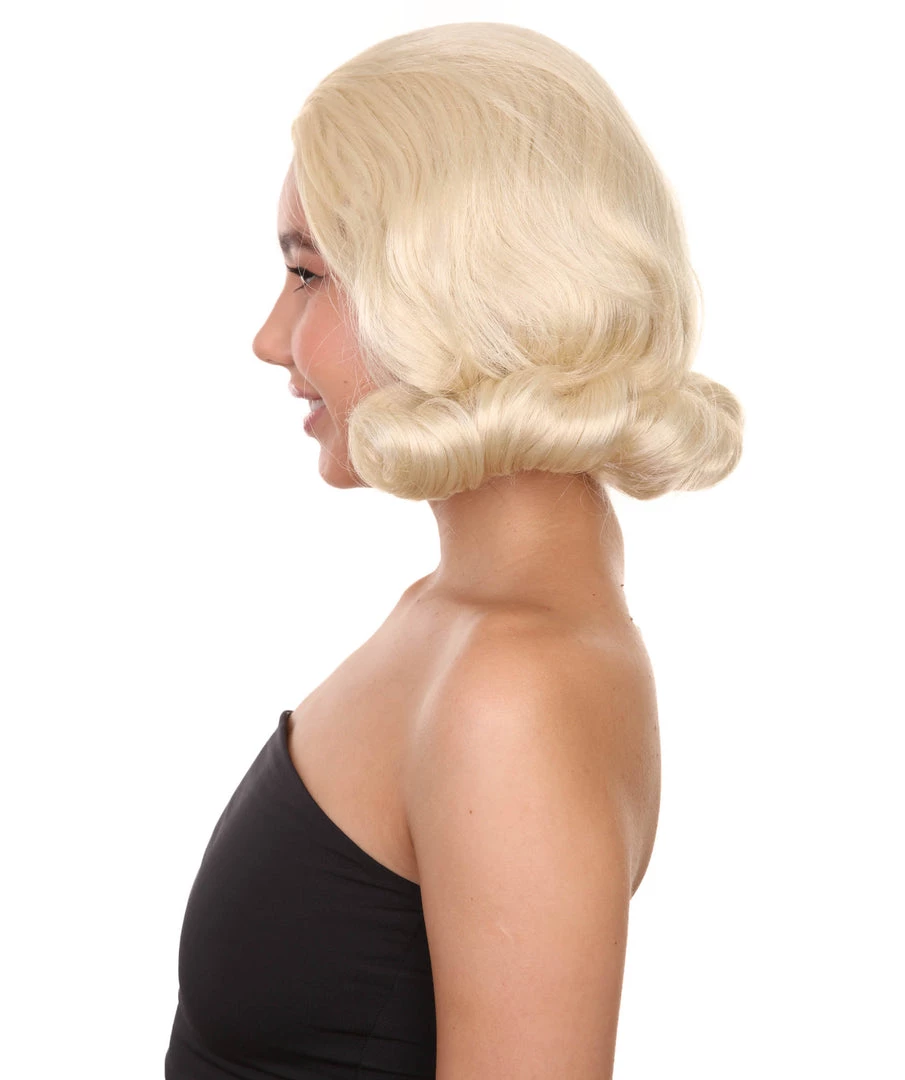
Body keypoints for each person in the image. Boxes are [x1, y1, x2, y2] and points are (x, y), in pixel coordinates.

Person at [165, 20, 744, 1080]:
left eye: (307, 275)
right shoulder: (448, 618)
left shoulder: (510, 685)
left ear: (454, 287)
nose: (268, 337)